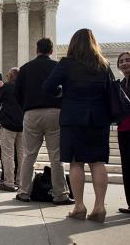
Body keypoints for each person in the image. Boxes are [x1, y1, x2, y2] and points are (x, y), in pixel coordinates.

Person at [43, 29, 112, 222]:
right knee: (97, 162)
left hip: (73, 117)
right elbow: (109, 92)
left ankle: (79, 205)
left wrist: (62, 94)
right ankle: (99, 206)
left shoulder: (66, 64)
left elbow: (48, 87)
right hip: (98, 119)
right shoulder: (104, 65)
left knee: (76, 162)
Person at [15, 38, 73, 205]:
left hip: (31, 113)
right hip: (55, 112)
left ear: (36, 50)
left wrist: (26, 108)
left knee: (29, 155)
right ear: (51, 50)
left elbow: (17, 94)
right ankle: (60, 194)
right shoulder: (58, 66)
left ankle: (24, 192)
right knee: (56, 156)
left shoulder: (25, 69)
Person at [0, 68, 23, 192]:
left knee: (8, 154)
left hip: (9, 124)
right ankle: (21, 181)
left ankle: (9, 182)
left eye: (8, 74)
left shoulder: (7, 86)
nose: (6, 75)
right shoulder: (25, 87)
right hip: (22, 124)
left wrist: (0, 88)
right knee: (22, 155)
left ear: (11, 76)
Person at [116, 51, 130, 214]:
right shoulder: (120, 84)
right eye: (122, 61)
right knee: (126, 166)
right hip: (123, 129)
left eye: (128, 60)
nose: (125, 63)